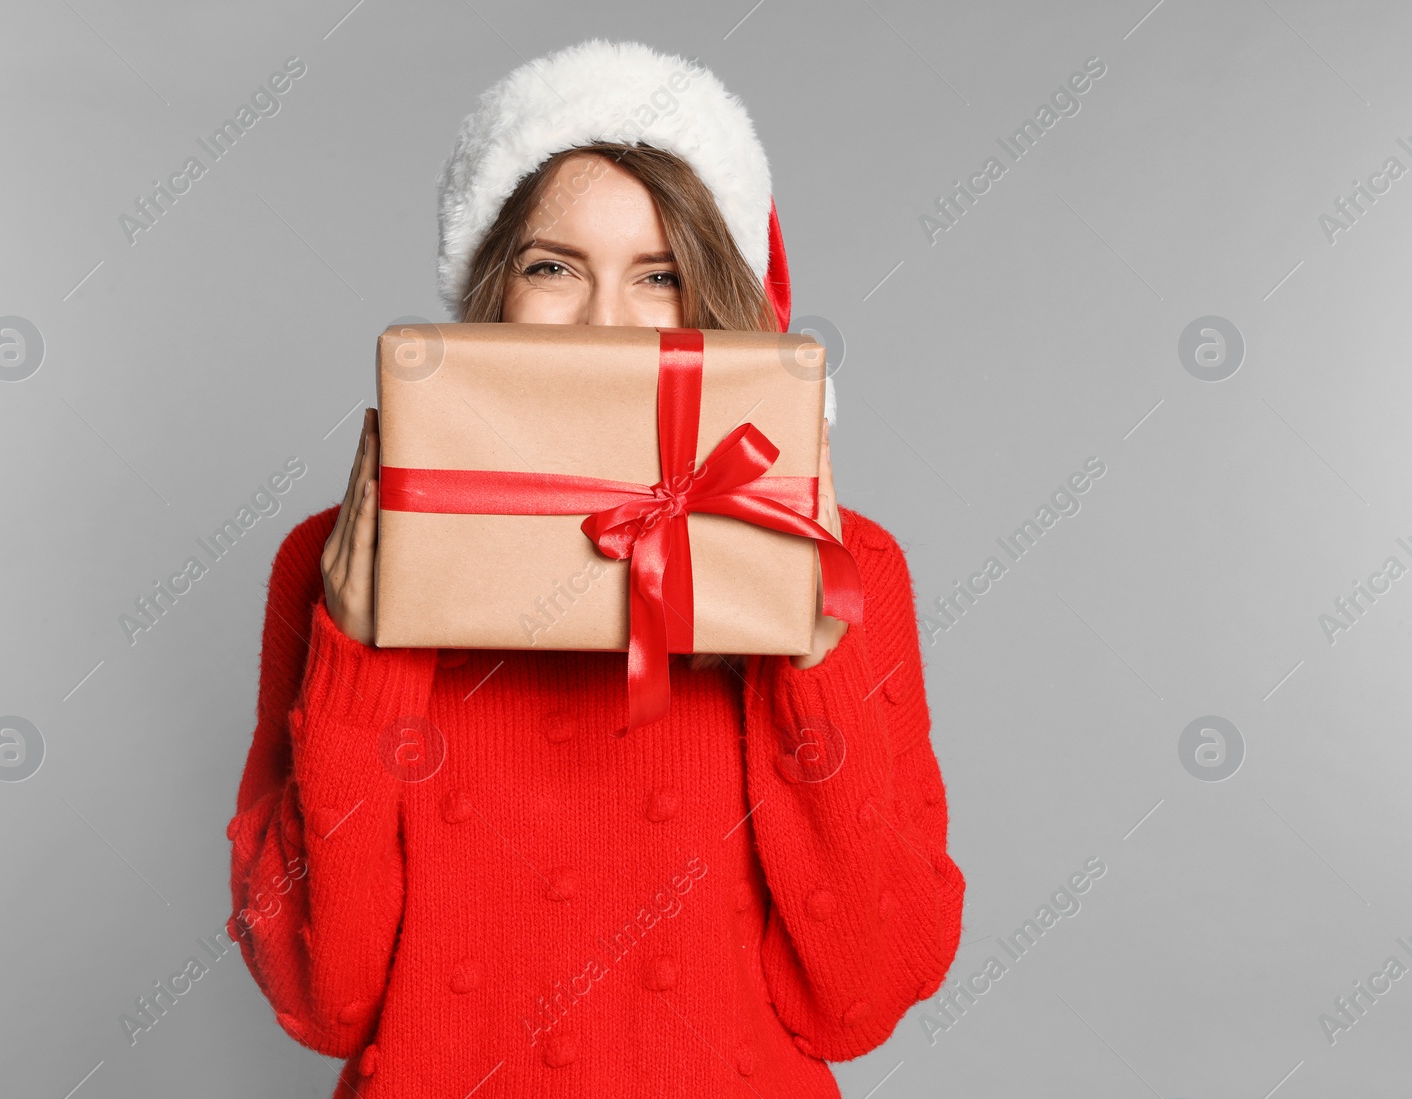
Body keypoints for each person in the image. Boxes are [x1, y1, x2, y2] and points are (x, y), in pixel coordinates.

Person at [226, 37, 964, 1097]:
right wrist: (360, 648)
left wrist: (812, 662)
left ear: (716, 297)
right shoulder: (329, 564)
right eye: (552, 266)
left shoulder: (855, 570)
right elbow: (319, 996)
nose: (608, 322)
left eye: (658, 275)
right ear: (491, 287)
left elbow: (860, 998)